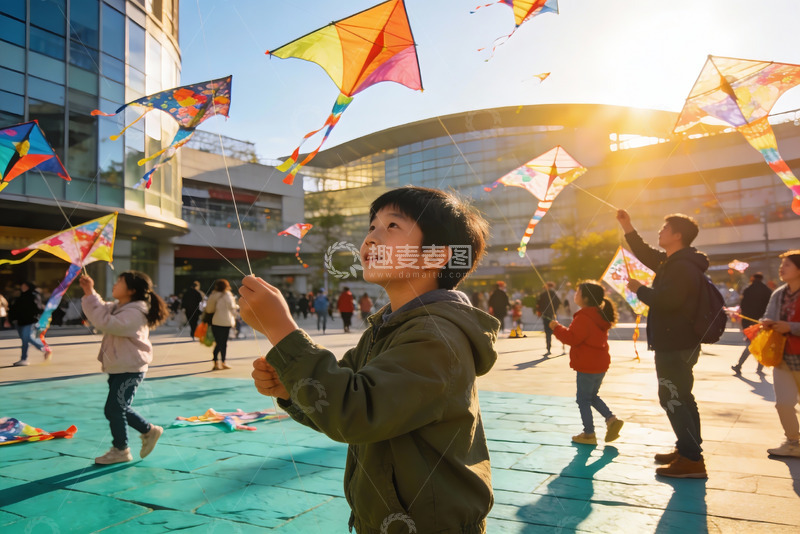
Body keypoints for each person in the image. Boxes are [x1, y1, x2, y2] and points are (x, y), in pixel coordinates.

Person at [240, 186, 498, 533]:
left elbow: (354, 412)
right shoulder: (390, 326)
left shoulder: (435, 336)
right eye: (371, 227)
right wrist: (289, 389)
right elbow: (335, 401)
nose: (372, 238)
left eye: (393, 226)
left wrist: (282, 331)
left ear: (436, 256)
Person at [617, 209, 708, 478]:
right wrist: (627, 226)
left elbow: (669, 301)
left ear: (678, 235)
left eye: (665, 228)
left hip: (675, 342)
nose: (660, 231)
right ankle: (688, 448)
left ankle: (692, 460)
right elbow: (646, 254)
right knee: (682, 396)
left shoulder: (681, 266)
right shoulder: (676, 261)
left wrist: (639, 290)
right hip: (678, 341)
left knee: (672, 397)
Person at [79, 271, 168, 465]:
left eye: (120, 282)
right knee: (117, 408)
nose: (115, 284)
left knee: (114, 408)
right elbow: (101, 310)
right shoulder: (121, 306)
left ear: (132, 290)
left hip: (131, 368)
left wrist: (90, 294)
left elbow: (106, 322)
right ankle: (148, 431)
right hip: (119, 366)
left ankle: (121, 449)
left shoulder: (136, 311)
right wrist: (89, 290)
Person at [550, 281, 624, 445]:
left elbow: (572, 338)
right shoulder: (598, 314)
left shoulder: (583, 317)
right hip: (600, 364)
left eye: (578, 292)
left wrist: (556, 328)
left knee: (583, 399)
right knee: (592, 396)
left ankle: (589, 433)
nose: (575, 294)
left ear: (585, 298)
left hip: (587, 364)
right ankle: (611, 419)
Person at [763, 250, 800, 458]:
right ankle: (793, 441)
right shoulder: (779, 293)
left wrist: (791, 327)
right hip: (783, 358)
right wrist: (767, 323)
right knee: (783, 403)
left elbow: (790, 325)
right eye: (781, 264)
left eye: (787, 264)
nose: (781, 268)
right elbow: (769, 314)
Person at [732, 273, 772, 375]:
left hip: (749, 322)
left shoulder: (747, 290)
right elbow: (770, 307)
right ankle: (759, 368)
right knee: (760, 344)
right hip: (763, 322)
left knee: (750, 344)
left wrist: (745, 324)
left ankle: (739, 365)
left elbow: (743, 306)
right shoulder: (767, 291)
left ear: (753, 278)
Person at [7, 281, 51, 366]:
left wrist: (34, 316)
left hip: (30, 321)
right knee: (25, 340)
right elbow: (14, 308)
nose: (22, 287)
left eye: (24, 286)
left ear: (28, 286)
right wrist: (11, 319)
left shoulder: (33, 295)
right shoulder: (20, 296)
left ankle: (44, 349)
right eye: (22, 286)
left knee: (27, 338)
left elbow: (37, 308)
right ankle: (24, 359)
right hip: (20, 321)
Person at [205, 279, 238, 371]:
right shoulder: (228, 295)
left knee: (218, 342)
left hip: (215, 321)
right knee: (223, 343)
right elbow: (233, 308)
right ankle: (223, 362)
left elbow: (209, 310)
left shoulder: (213, 295)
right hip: (226, 321)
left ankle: (215, 363)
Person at [536, 282, 561, 356]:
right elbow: (558, 303)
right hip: (552, 315)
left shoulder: (543, 294)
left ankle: (548, 347)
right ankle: (559, 345)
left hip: (545, 315)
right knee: (553, 330)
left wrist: (541, 311)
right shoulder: (554, 294)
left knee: (547, 331)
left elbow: (538, 304)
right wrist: (555, 311)